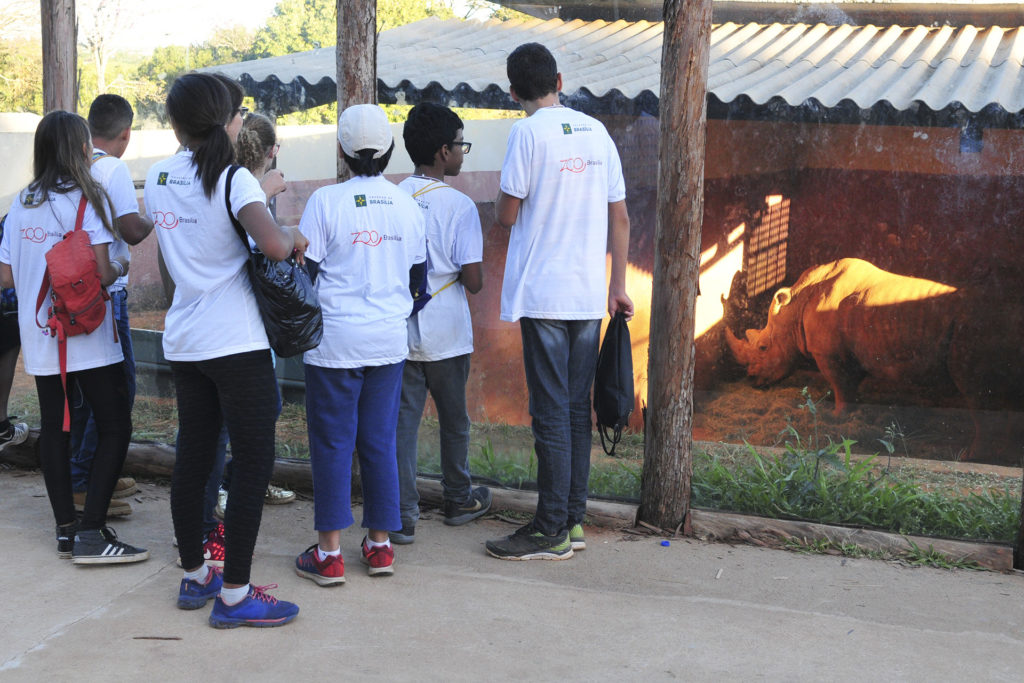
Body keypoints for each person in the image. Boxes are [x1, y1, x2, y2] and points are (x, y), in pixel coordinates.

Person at [144, 73, 303, 627]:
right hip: (236, 342)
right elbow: (276, 246)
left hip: (185, 339)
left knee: (193, 457)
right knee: (255, 461)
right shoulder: (234, 178)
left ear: (176, 124)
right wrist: (288, 227)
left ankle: (196, 576)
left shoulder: (160, 173)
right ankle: (235, 594)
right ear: (231, 121)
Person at [484, 43, 633, 561]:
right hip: (588, 294)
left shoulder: (525, 133)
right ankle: (571, 521)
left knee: (550, 412)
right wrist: (617, 285)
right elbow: (621, 217)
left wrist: (507, 198)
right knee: (574, 410)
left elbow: (506, 215)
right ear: (560, 80)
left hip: (544, 292)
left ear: (513, 92)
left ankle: (547, 528)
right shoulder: (598, 133)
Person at [0, 110, 148, 565]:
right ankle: (92, 531)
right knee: (115, 425)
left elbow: (5, 276)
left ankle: (66, 530)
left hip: (43, 335)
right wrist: (121, 267)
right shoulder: (89, 197)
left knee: (55, 430)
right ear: (83, 149)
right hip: (87, 333)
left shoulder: (20, 202)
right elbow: (103, 271)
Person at [293, 103, 425, 585]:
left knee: (331, 442)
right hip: (388, 342)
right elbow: (419, 280)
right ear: (389, 149)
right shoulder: (408, 205)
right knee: (379, 442)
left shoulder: (325, 203)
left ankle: (329, 555)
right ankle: (380, 546)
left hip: (334, 342)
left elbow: (304, 274)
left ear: (342, 152)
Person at [391, 102, 490, 545]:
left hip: (400, 330)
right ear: (443, 152)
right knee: (455, 420)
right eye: (460, 145)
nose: (463, 153)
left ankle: (402, 515)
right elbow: (474, 282)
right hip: (447, 331)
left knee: (402, 426)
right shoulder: (460, 206)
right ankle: (457, 498)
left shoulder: (391, 197)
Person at [68, 94, 154, 518]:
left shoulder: (74, 164)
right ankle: (84, 480)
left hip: (73, 296)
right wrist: (160, 214)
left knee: (86, 390)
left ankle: (95, 469)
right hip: (106, 293)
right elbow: (132, 231)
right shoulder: (113, 167)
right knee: (120, 387)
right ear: (126, 133)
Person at [0, 215, 29, 454]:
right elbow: (7, 278)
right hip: (6, 304)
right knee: (8, 345)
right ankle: (1, 427)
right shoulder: (15, 215)